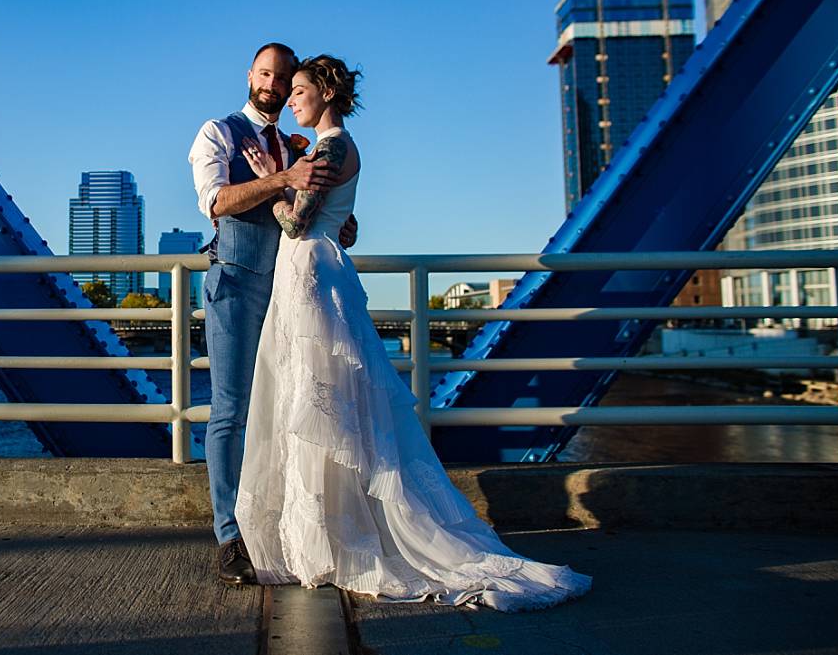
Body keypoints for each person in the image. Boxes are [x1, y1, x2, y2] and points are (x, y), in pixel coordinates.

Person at [233, 55, 592, 611]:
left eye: (300, 89)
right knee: (324, 404)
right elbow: (335, 220)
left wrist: (266, 181)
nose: (292, 98)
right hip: (314, 272)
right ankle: (329, 538)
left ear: (326, 92)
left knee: (317, 400)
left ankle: (335, 542)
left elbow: (296, 222)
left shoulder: (329, 146)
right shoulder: (333, 146)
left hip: (308, 272)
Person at [188, 43, 359, 585]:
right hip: (237, 284)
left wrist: (339, 220)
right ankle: (228, 535)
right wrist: (282, 180)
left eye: (283, 77)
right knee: (231, 410)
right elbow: (215, 201)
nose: (273, 84)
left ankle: (280, 526)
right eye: (265, 73)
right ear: (250, 75)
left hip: (293, 293)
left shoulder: (298, 143)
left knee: (289, 409)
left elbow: (323, 217)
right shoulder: (216, 132)